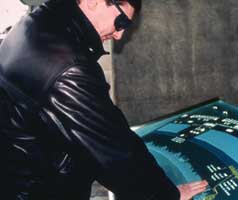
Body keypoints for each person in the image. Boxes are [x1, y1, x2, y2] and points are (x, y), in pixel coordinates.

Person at [0, 0, 208, 199]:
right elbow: (113, 151)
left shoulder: (38, 22)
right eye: (121, 22)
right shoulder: (67, 65)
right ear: (94, 1)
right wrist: (166, 195)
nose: (119, 34)